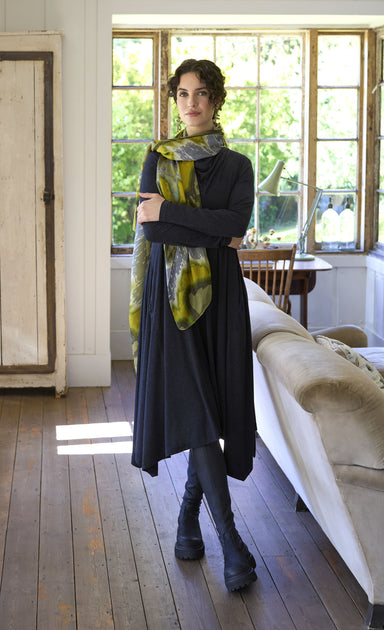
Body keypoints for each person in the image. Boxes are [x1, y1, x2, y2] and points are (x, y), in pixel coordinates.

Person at [129, 58, 257, 592]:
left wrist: (172, 212)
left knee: (215, 409)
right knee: (201, 410)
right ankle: (231, 542)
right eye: (182, 94)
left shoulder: (238, 165)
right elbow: (154, 235)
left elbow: (237, 225)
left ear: (217, 99)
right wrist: (208, 229)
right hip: (172, 300)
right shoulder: (155, 159)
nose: (192, 103)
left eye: (202, 93)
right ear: (173, 100)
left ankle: (186, 518)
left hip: (222, 300)